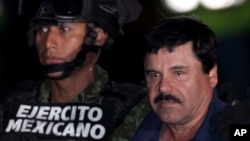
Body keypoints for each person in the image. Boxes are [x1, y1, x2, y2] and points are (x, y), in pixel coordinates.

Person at [0, 0, 151, 140]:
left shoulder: (133, 107)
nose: (48, 43)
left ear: (98, 36)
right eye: (42, 29)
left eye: (64, 29)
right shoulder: (14, 102)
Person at [132, 16, 229, 141]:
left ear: (212, 75)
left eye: (178, 73)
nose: (163, 87)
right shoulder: (132, 124)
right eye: (155, 75)